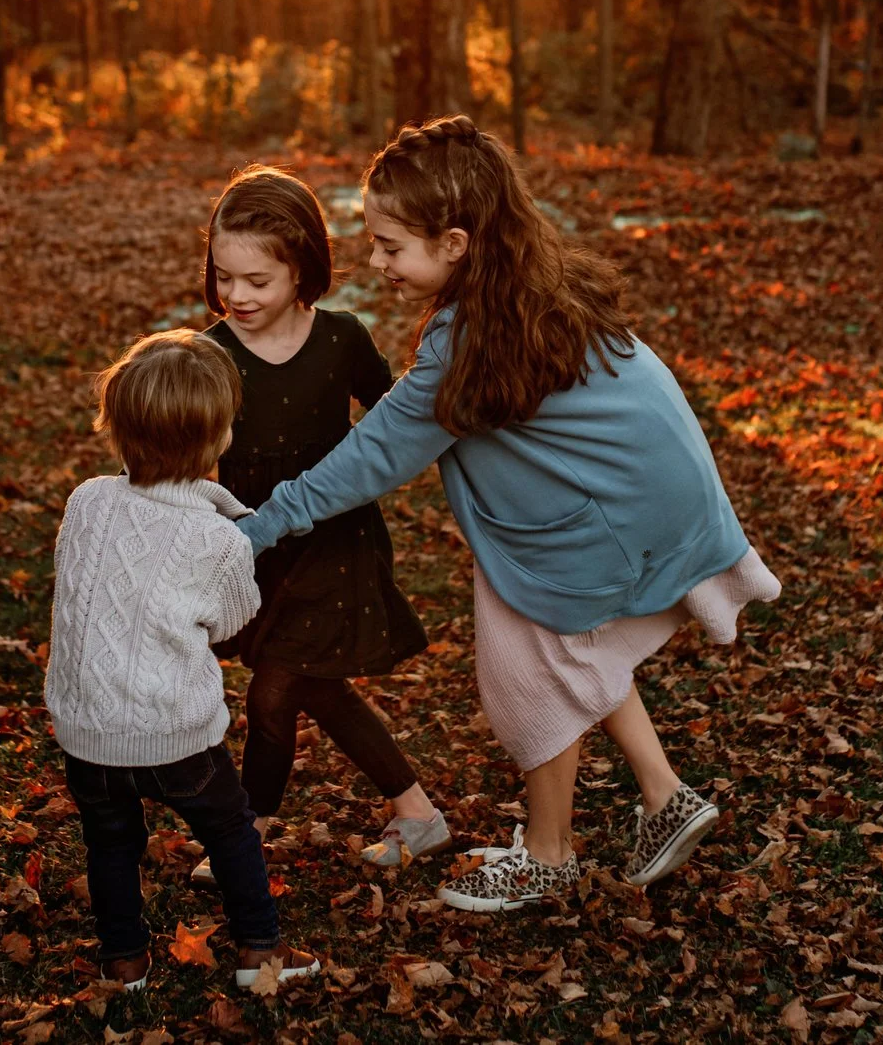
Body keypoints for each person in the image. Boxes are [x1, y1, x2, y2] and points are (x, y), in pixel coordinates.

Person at [233, 118, 782, 912]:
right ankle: (663, 797)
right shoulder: (531, 281)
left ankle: (550, 856)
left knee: (525, 674)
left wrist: (249, 528)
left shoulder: (471, 340)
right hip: (643, 491)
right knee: (570, 648)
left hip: (603, 514)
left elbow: (372, 457)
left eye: (390, 245)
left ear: (455, 241)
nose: (377, 262)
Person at [43, 330, 321, 989]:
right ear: (218, 438)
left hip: (87, 734)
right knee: (230, 830)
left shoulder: (86, 500)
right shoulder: (217, 539)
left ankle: (124, 959)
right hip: (174, 735)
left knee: (110, 842)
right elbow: (231, 618)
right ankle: (259, 949)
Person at [198, 165, 449, 870]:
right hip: (257, 547)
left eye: (258, 280)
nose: (237, 295)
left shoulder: (340, 338)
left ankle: (244, 837)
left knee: (278, 686)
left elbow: (402, 421)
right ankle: (415, 811)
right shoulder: (211, 354)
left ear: (302, 268)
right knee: (303, 687)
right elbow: (184, 451)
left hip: (336, 543)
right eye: (225, 277)